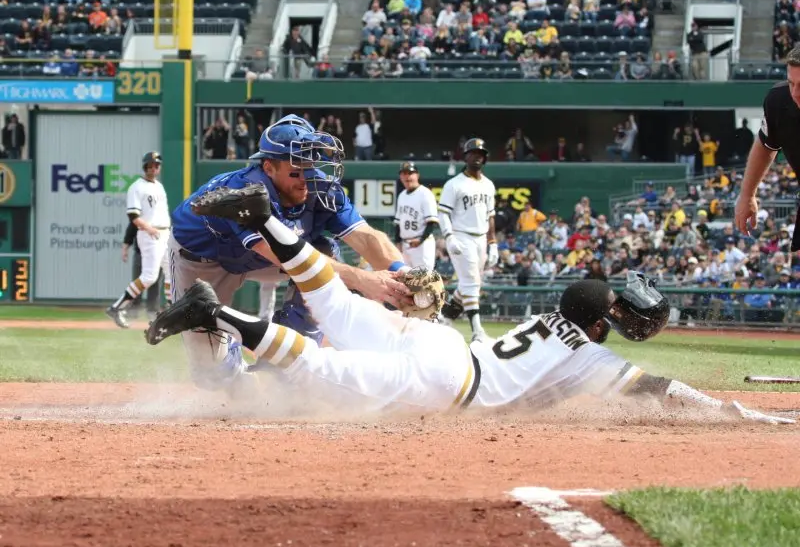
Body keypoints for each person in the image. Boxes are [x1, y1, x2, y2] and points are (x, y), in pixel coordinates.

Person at [145, 183, 794, 425]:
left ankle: (270, 223)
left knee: (335, 307)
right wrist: (732, 411)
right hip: (450, 381)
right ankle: (215, 312)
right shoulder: (588, 355)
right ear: (597, 327)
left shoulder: (548, 322)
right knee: (319, 365)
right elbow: (659, 389)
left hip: (443, 348)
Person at [167, 114, 412, 391]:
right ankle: (231, 351)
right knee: (212, 376)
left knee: (324, 251)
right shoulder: (243, 193)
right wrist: (363, 279)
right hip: (203, 261)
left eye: (310, 164)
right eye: (296, 169)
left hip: (262, 257)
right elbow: (286, 256)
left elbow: (365, 237)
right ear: (269, 167)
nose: (307, 176)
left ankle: (283, 364)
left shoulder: (321, 187)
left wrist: (404, 274)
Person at [734, 46, 800, 253]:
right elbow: (766, 144)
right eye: (791, 83)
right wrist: (747, 194)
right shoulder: (779, 101)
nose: (795, 93)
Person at [438, 137, 499, 342]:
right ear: (465, 157)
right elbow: (443, 213)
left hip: (481, 238)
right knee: (471, 283)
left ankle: (445, 318)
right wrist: (449, 236)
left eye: (481, 154)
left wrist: (493, 243)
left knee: (469, 284)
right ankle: (477, 331)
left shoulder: (489, 185)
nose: (477, 157)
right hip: (461, 236)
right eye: (473, 153)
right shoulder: (454, 184)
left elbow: (491, 216)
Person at [106, 152, 171, 328]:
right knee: (149, 277)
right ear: (145, 167)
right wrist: (148, 229)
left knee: (171, 272)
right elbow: (133, 216)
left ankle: (172, 310)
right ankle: (117, 307)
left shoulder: (159, 186)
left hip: (164, 233)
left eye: (156, 165)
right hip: (149, 234)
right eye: (150, 165)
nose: (153, 168)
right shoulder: (137, 187)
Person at [393, 161, 439, 270]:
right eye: (404, 174)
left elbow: (432, 222)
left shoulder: (425, 194)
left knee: (424, 278)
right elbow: (398, 223)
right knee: (406, 277)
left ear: (417, 175)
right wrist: (398, 242)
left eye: (410, 173)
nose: (407, 177)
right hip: (405, 245)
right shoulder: (402, 195)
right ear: (400, 177)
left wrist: (421, 240)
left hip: (422, 245)